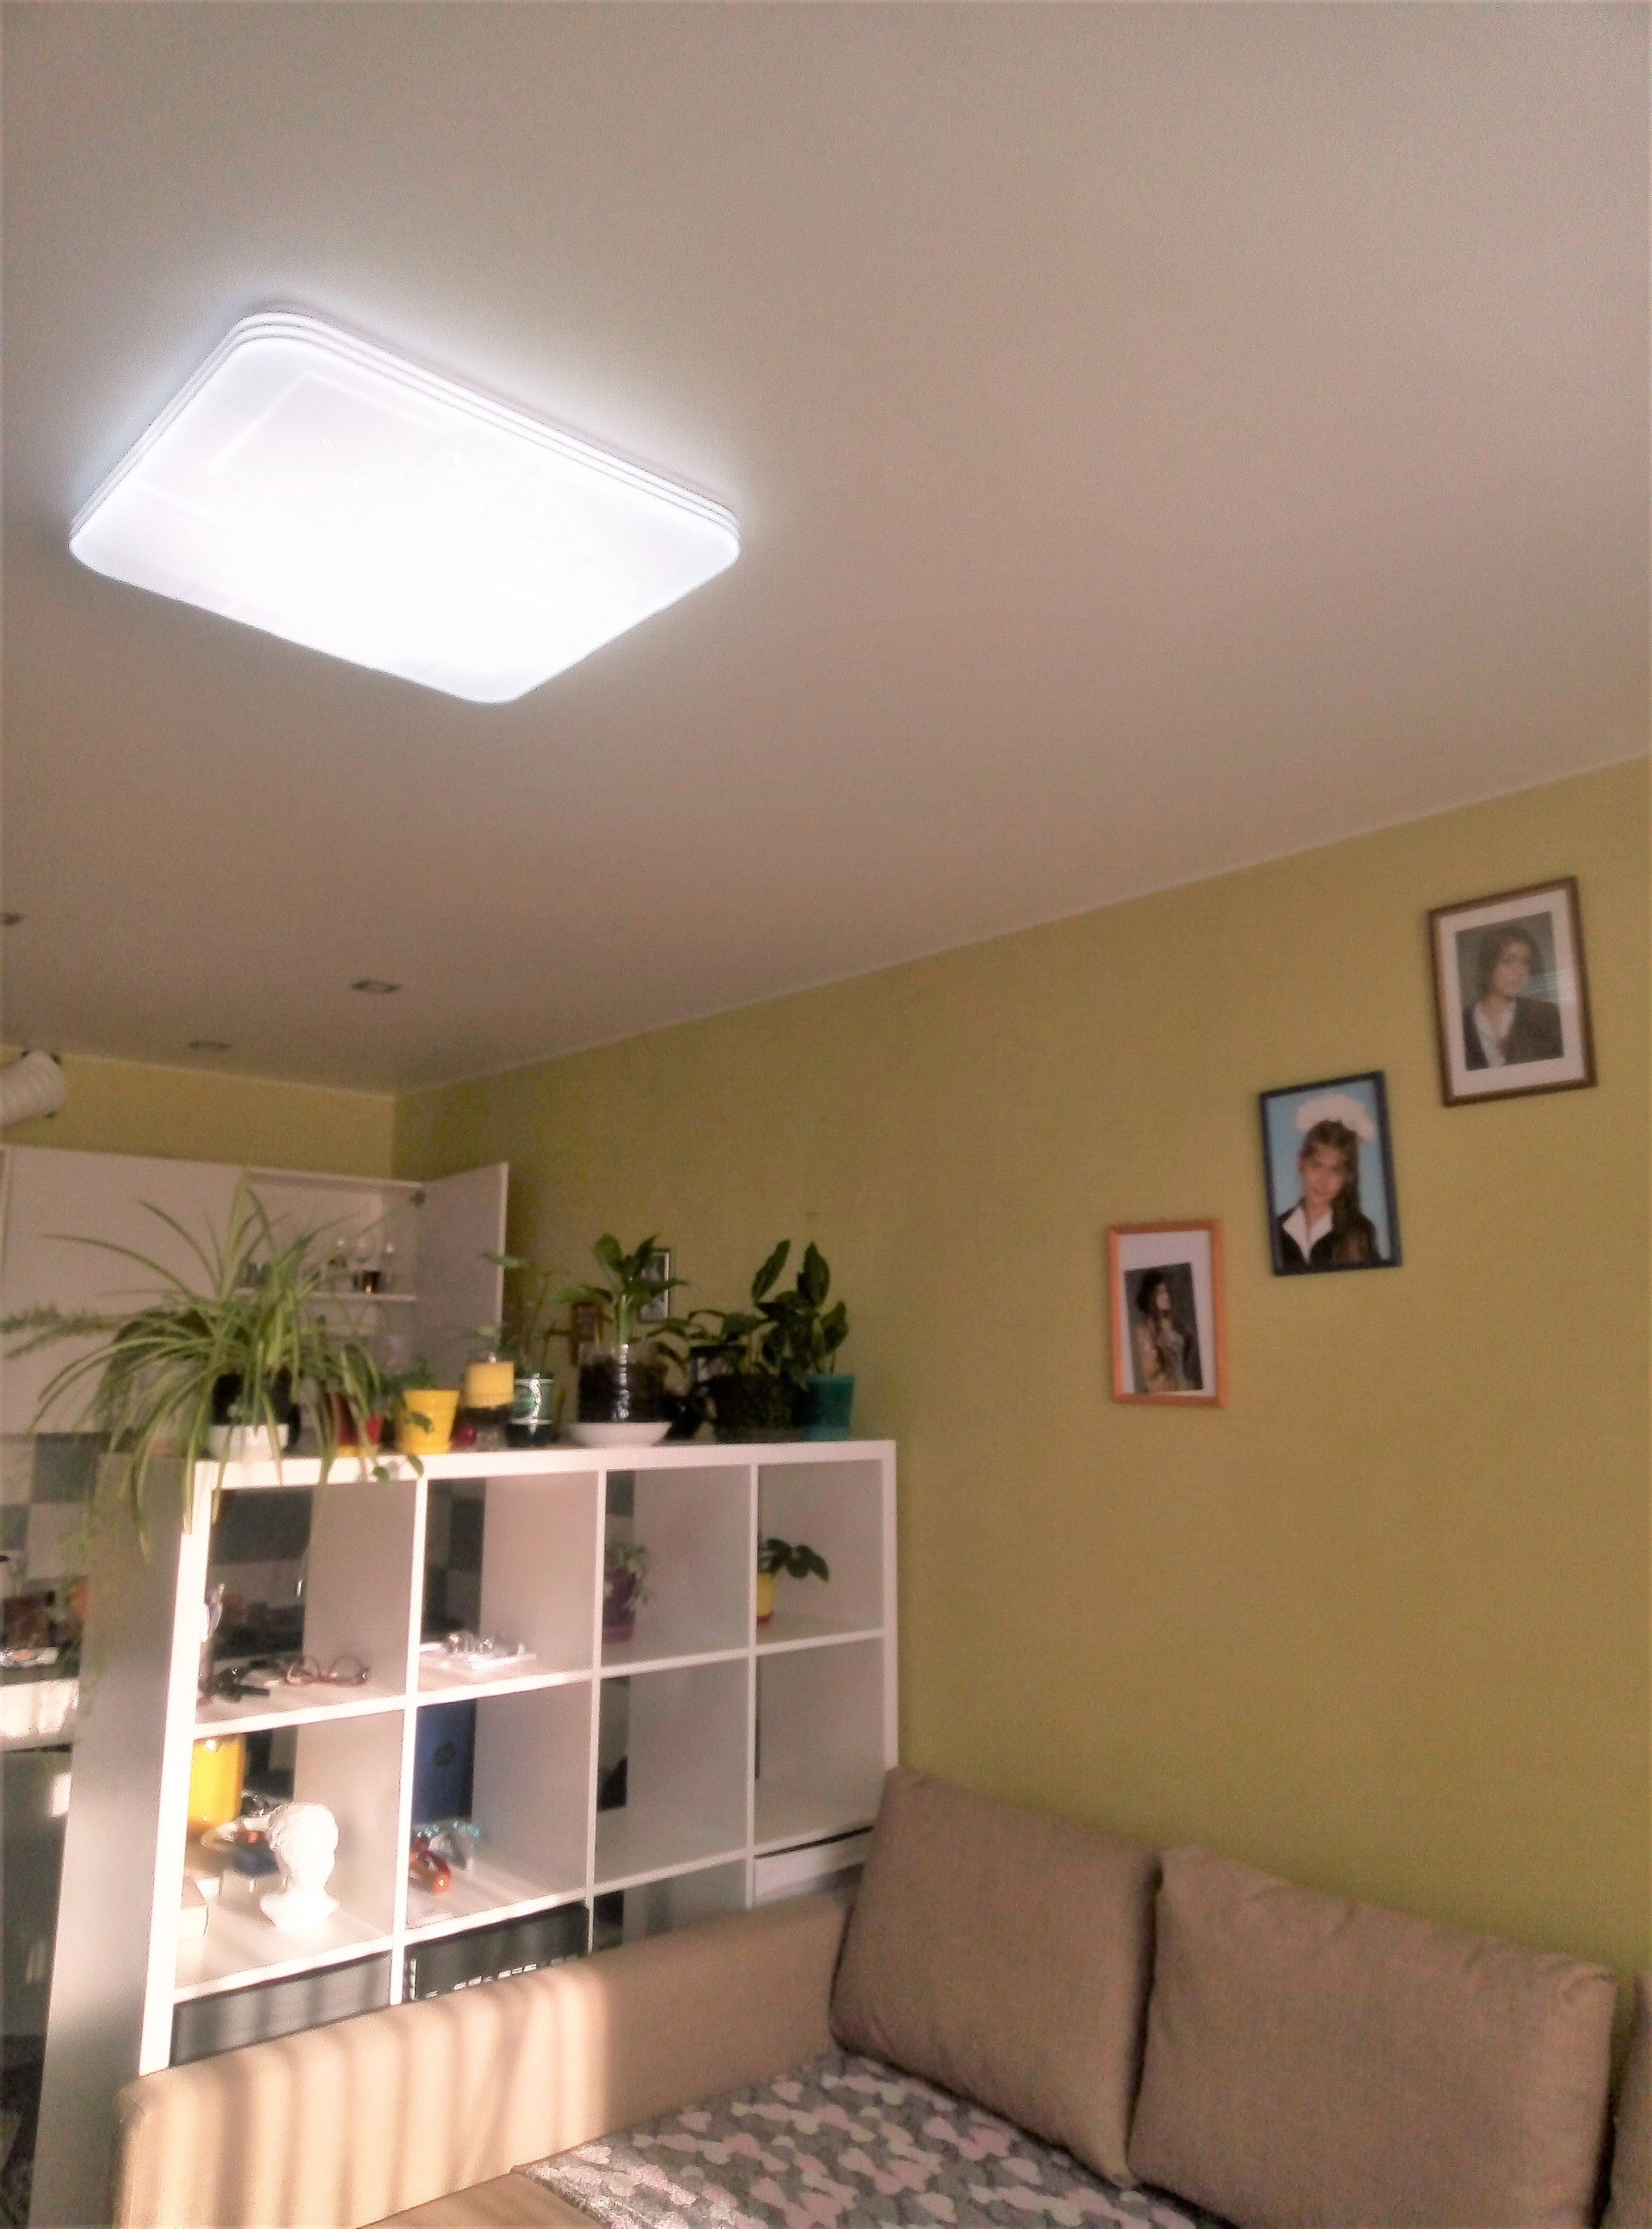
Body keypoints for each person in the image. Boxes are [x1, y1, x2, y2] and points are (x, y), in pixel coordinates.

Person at [1276, 1116, 1382, 1270]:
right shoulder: (1276, 1229)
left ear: (1347, 1177)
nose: (1323, 1180)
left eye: (1335, 1170)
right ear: (1301, 1163)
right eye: (1317, 1166)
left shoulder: (1360, 1232)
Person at [1462, 925, 1563, 1070]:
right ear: (1488, 966)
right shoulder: (1463, 1022)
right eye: (1508, 962)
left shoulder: (1546, 1015)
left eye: (1525, 962)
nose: (1519, 971)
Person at [1132, 1269, 1201, 1392]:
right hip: (1166, 1389)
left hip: (1185, 1384)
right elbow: (1150, 1373)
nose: (1166, 1296)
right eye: (1160, 1292)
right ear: (1151, 1297)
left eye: (1166, 1291)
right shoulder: (1143, 1330)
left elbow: (1190, 1348)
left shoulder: (1174, 1322)